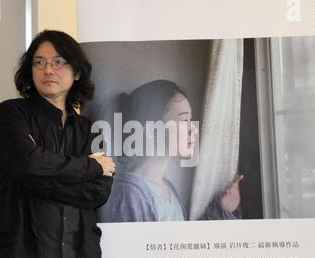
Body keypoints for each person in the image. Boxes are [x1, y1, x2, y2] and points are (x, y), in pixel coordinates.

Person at [0, 30, 115, 258]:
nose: (48, 70)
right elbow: (28, 166)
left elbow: (98, 191)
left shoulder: (90, 129)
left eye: (58, 62)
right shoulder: (11, 113)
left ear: (76, 72)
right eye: (39, 62)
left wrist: (41, 173)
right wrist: (90, 166)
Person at [98, 80, 243, 222]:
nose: (194, 129)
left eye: (190, 120)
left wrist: (222, 208)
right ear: (152, 131)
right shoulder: (129, 194)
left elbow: (183, 243)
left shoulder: (168, 189)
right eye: (184, 120)